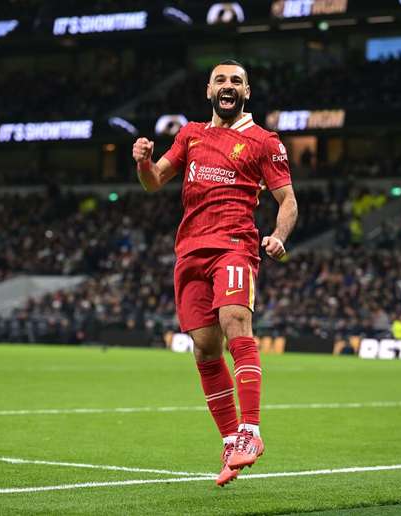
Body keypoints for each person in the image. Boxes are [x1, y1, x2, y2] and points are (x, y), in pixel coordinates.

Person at [131, 59, 297, 486]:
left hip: (235, 246)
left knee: (236, 323)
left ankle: (251, 431)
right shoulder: (190, 134)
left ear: (247, 92)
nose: (229, 86)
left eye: (236, 81)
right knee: (205, 348)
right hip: (190, 252)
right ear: (209, 90)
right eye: (221, 80)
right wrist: (144, 162)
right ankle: (229, 440)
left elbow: (288, 201)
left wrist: (278, 235)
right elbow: (154, 182)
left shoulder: (264, 142)